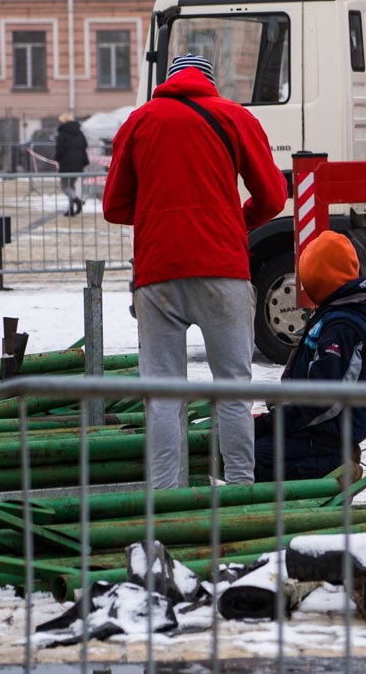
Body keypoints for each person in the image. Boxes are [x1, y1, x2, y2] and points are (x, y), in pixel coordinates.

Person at [103, 53, 287, 489]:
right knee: (234, 389)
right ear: (210, 81)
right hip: (223, 268)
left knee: (164, 395)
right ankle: (241, 486)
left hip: (158, 272)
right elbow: (273, 197)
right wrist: (228, 221)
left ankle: (166, 494)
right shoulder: (233, 117)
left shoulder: (139, 122)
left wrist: (160, 219)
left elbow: (114, 206)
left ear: (167, 81)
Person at [253, 231, 366, 482]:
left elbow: (324, 401)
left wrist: (272, 423)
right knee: (254, 446)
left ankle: (334, 468)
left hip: (325, 432)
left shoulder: (342, 327)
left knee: (252, 458)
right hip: (319, 426)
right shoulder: (341, 311)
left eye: (308, 279)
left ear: (322, 279)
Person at [54, 112, 89, 216]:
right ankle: (71, 209)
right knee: (71, 185)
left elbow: (60, 149)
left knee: (65, 186)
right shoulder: (79, 132)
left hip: (66, 164)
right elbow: (85, 146)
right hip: (78, 164)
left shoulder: (62, 133)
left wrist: (57, 159)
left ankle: (77, 201)